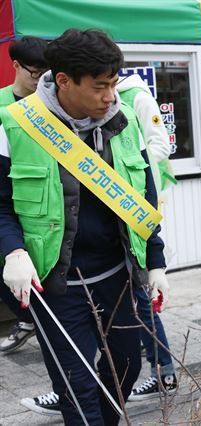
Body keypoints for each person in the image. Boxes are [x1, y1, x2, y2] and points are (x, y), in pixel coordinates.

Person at [0, 29, 168, 424]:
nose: (110, 96)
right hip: (55, 284)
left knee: (126, 365)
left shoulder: (123, 122)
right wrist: (13, 250)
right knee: (76, 386)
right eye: (99, 86)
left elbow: (140, 195)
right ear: (63, 81)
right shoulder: (15, 126)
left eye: (113, 84)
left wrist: (156, 259)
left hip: (116, 276)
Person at [117, 73, 177, 400]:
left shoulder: (136, 97)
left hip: (137, 205)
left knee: (141, 289)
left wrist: (131, 178)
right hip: (115, 208)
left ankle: (163, 370)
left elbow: (160, 145)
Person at [0, 36, 49, 354]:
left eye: (48, 74)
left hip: (44, 203)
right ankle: (29, 317)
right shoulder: (2, 105)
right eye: (35, 73)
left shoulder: (52, 103)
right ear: (15, 66)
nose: (41, 81)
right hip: (7, 197)